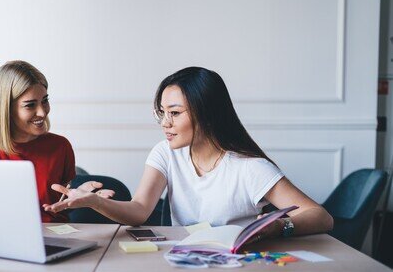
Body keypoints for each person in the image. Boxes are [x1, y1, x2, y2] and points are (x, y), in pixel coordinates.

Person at [44, 66, 333, 241]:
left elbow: (321, 217)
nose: (165, 123)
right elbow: (139, 211)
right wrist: (94, 202)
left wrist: (279, 227)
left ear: (206, 115)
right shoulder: (165, 154)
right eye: (162, 113)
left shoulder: (249, 168)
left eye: (175, 113)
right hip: (185, 262)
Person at [0, 60, 114, 222]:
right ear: (6, 109)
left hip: (53, 237)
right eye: (30, 105)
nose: (42, 111)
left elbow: (62, 203)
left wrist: (82, 197)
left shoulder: (60, 146)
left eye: (45, 100)